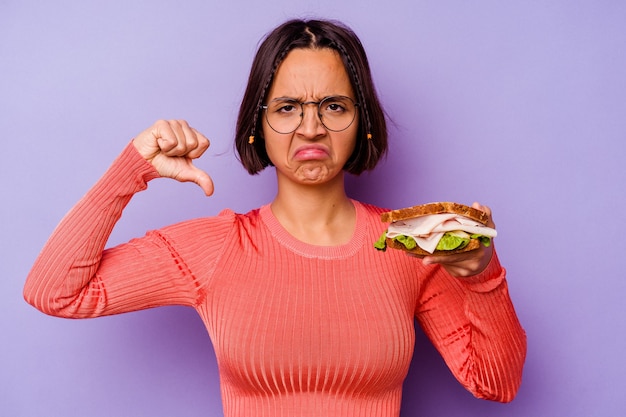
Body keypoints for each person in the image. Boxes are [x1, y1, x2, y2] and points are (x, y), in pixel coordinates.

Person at [24, 18, 526, 417]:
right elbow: (55, 292)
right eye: (287, 108)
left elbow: (495, 383)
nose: (311, 127)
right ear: (256, 127)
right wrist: (131, 168)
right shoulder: (215, 248)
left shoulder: (406, 243)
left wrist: (482, 277)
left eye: (334, 106)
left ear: (364, 123)